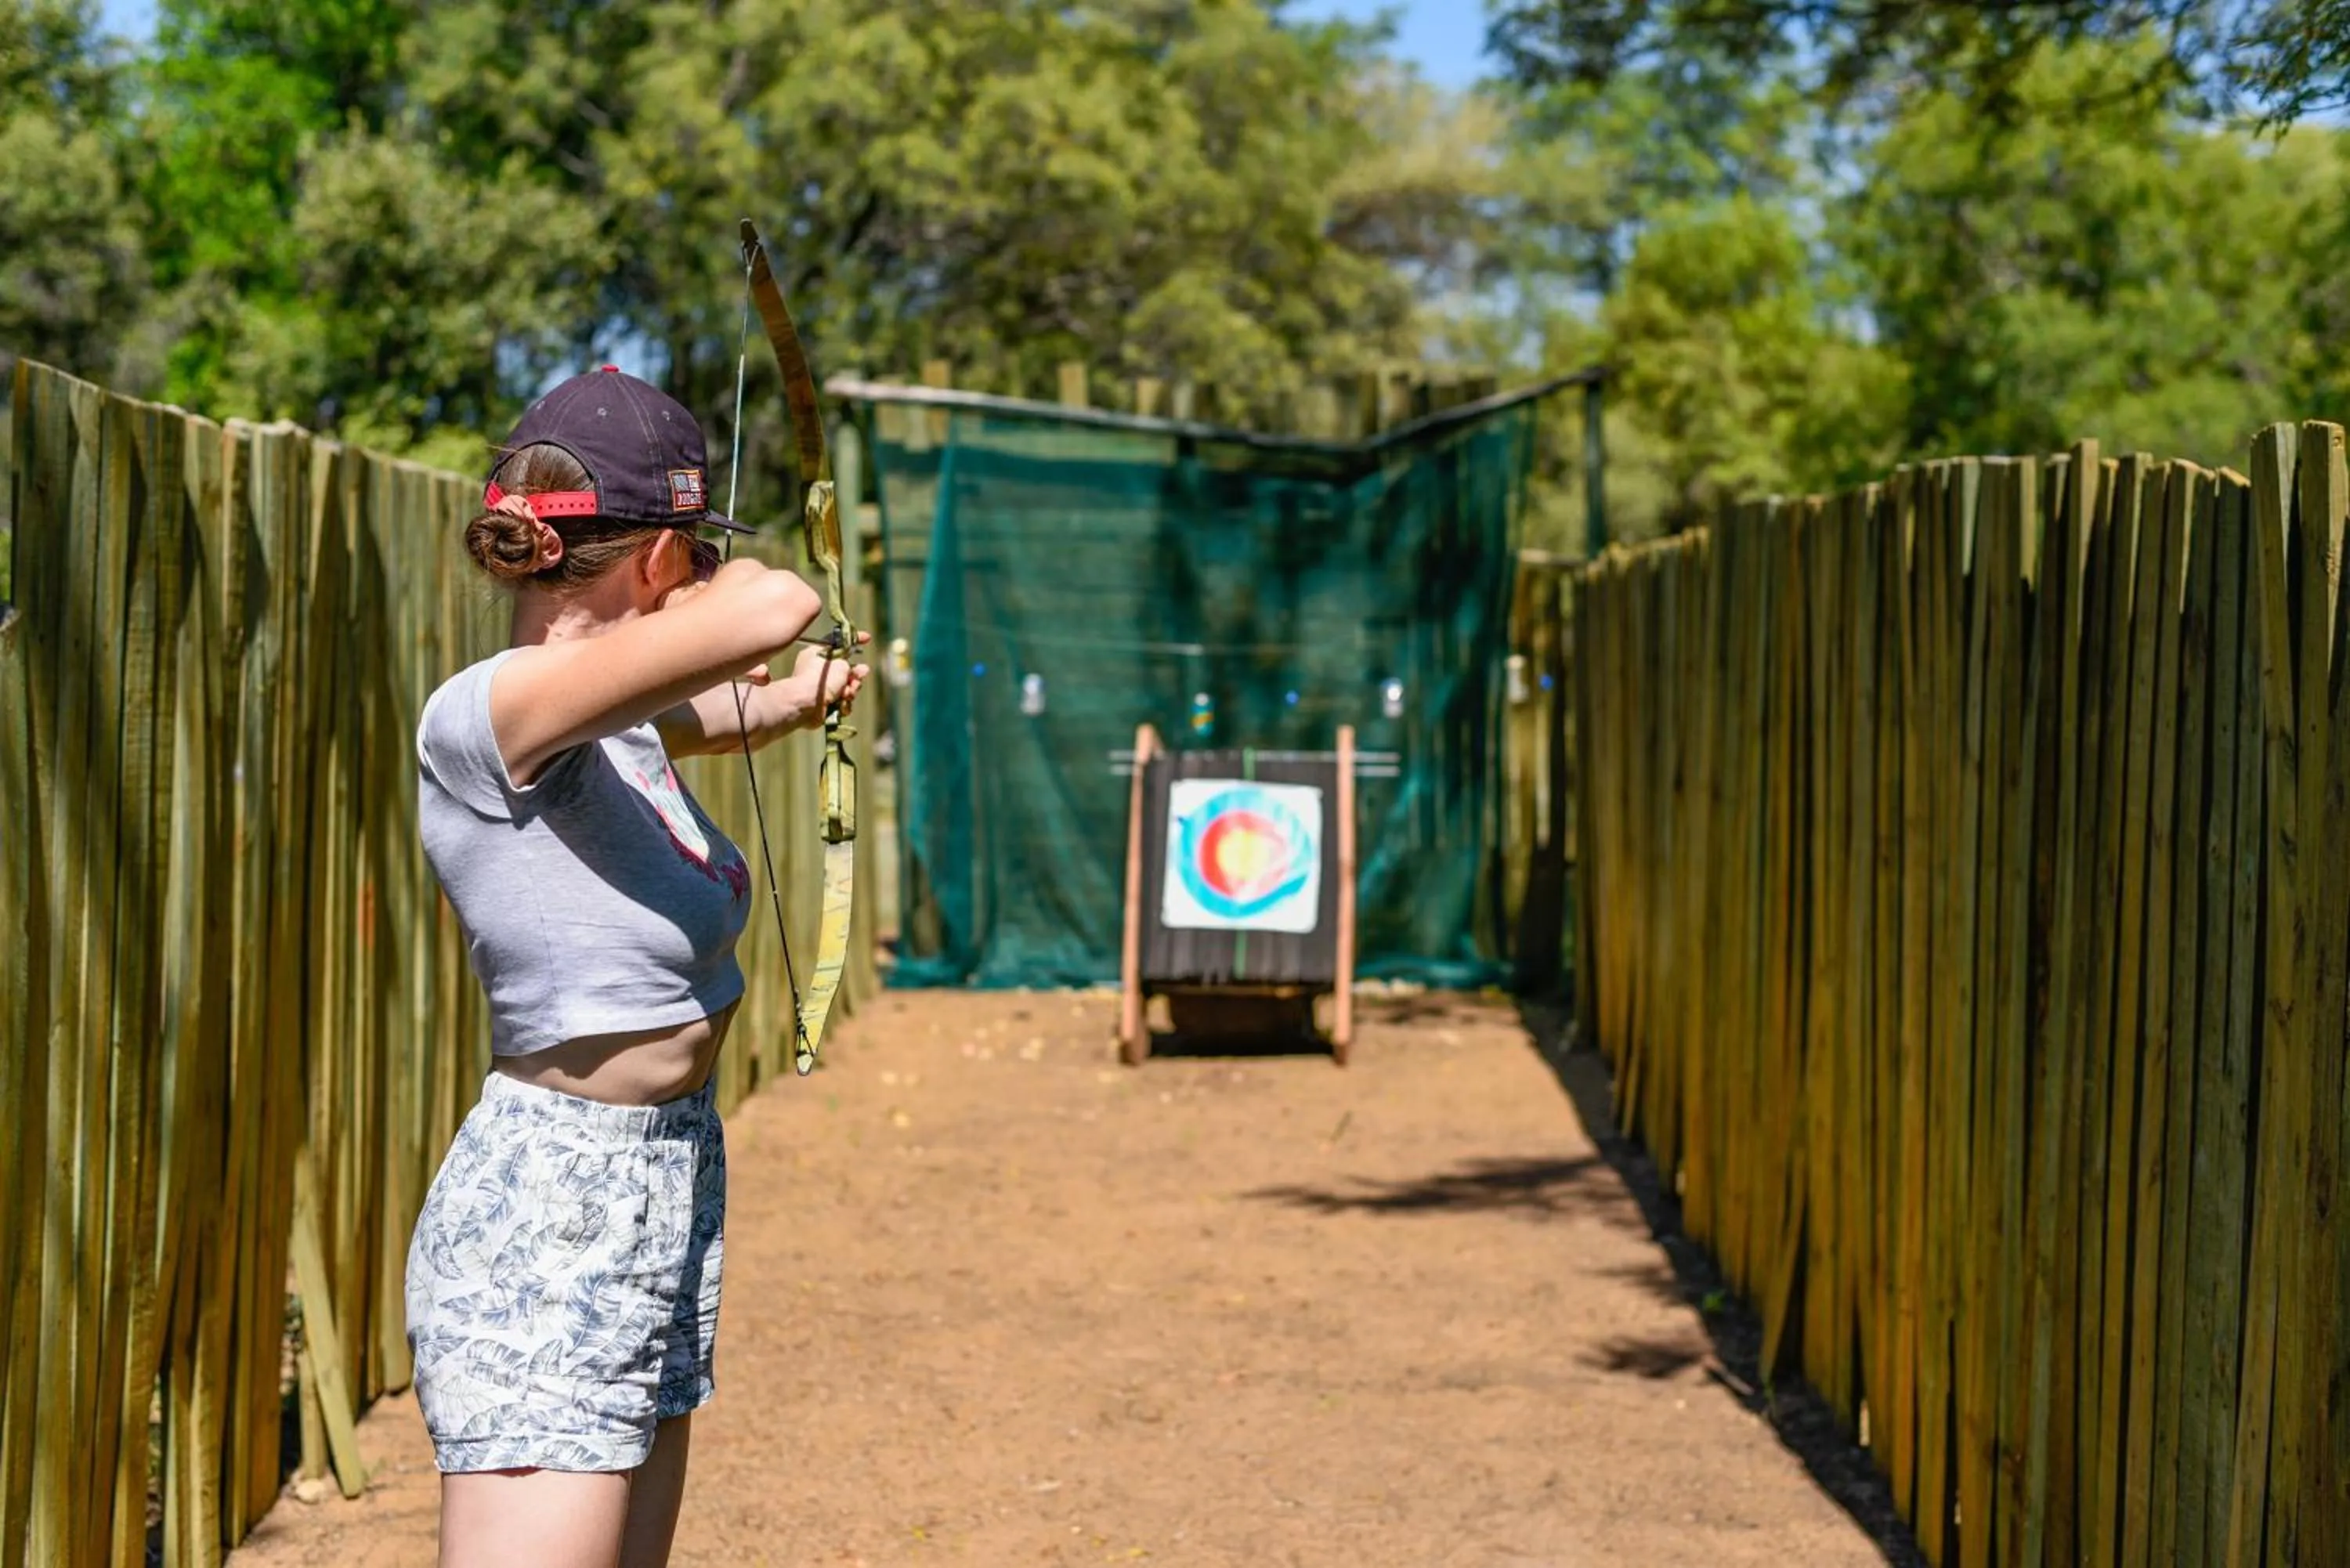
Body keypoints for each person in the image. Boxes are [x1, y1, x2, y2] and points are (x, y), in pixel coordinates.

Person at [405, 366, 865, 1568]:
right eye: (697, 548)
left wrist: (800, 697)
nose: (712, 569)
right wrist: (745, 602)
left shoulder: (600, 722)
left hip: (664, 1173)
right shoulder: (486, 715)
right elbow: (772, 602)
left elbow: (692, 713)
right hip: (554, 1209)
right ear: (660, 559)